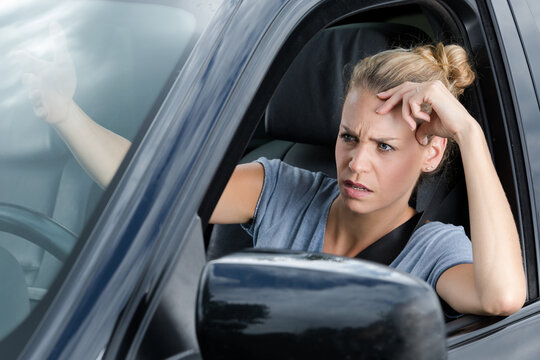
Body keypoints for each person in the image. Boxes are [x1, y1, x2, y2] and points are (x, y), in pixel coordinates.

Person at [18, 24, 526, 316]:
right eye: (349, 137)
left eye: (386, 147)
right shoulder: (285, 188)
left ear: (431, 153)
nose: (357, 161)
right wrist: (64, 111)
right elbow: (154, 187)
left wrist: (470, 134)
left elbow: (502, 297)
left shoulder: (434, 249)